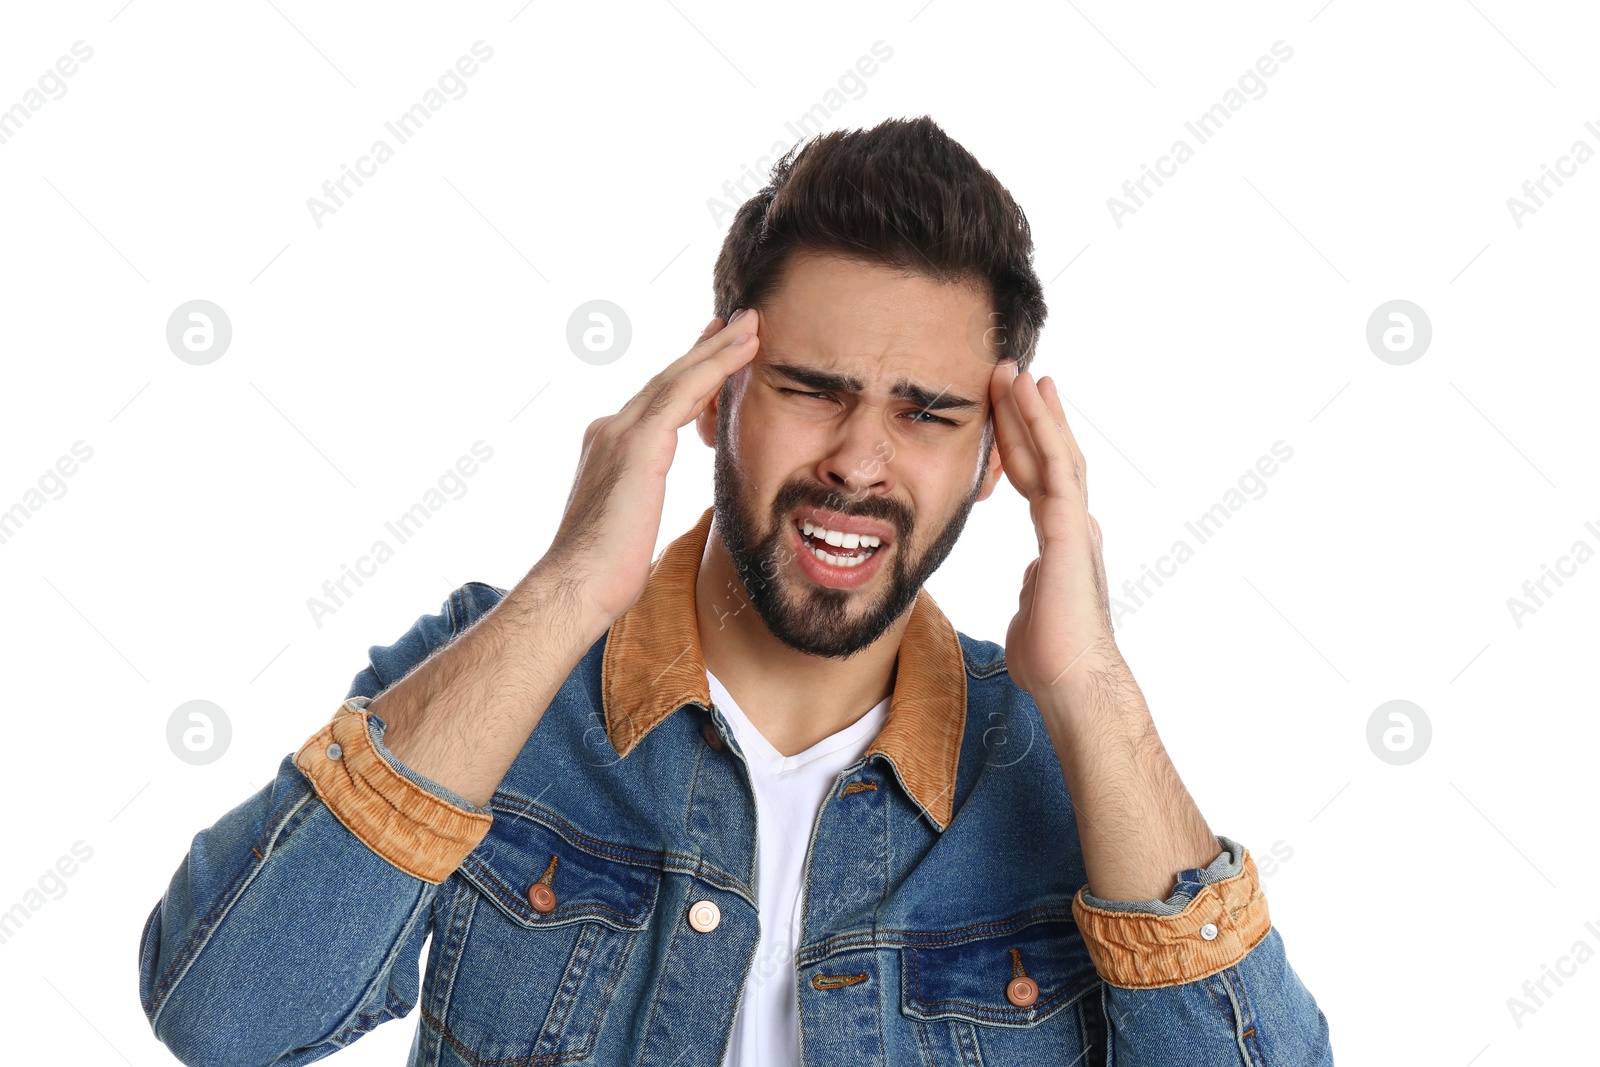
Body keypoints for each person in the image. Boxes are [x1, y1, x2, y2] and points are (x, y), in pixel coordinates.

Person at [138, 115, 1333, 1066]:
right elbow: (225, 1016)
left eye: (926, 413)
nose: (860, 460)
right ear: (713, 393)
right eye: (813, 388)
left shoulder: (1059, 765)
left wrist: (1089, 682)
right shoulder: (498, 676)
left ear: (993, 459)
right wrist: (566, 590)